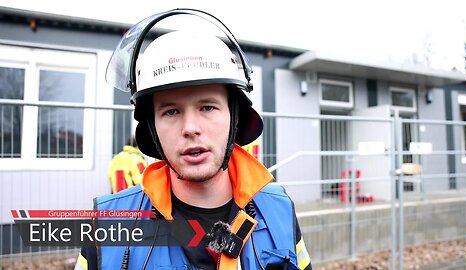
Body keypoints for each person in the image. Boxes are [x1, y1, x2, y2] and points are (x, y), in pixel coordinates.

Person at [76, 9, 311, 270]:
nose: (190, 128)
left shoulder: (279, 209)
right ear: (152, 127)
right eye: (171, 111)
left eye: (208, 107)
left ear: (235, 118)